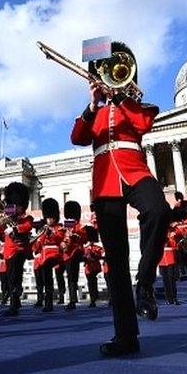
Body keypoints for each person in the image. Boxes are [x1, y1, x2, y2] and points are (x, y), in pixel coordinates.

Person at [70, 41, 170, 357]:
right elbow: (78, 137)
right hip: (104, 182)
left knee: (158, 210)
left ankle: (145, 284)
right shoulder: (95, 113)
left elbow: (143, 124)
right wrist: (93, 103)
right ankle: (126, 336)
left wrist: (122, 95)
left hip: (135, 170)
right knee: (115, 260)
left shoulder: (135, 106)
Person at [0, 182, 34, 316]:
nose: (16, 207)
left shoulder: (26, 218)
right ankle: (15, 300)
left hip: (19, 250)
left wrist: (14, 228)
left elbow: (27, 226)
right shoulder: (7, 218)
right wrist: (1, 224)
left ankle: (14, 304)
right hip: (8, 252)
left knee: (15, 277)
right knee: (10, 278)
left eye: (18, 205)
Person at [32, 198, 64, 312]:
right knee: (46, 280)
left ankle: (53, 300)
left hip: (54, 255)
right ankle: (47, 302)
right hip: (44, 257)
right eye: (48, 218)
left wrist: (50, 234)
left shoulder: (59, 228)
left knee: (51, 279)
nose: (49, 220)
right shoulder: (43, 229)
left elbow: (59, 238)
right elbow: (38, 244)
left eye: (51, 218)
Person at [62, 201, 87, 310]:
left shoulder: (80, 226)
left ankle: (72, 299)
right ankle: (72, 298)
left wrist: (75, 236)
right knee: (70, 276)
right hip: (67, 253)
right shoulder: (65, 225)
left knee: (73, 276)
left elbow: (84, 238)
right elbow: (61, 238)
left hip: (75, 252)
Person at [83, 226, 105, 307]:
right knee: (91, 282)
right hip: (88, 268)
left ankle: (94, 297)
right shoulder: (85, 248)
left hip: (94, 267)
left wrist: (94, 255)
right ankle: (93, 298)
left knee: (93, 282)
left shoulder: (97, 248)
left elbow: (100, 254)